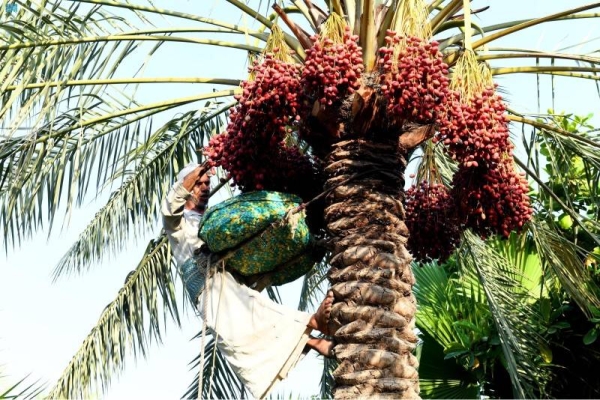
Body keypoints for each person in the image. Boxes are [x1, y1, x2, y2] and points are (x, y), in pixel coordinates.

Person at [161, 162, 334, 399]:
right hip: (206, 288)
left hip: (229, 280)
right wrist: (205, 166)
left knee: (255, 317)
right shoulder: (178, 224)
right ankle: (313, 325)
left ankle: (313, 339)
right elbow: (171, 204)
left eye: (206, 183)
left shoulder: (214, 220)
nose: (203, 187)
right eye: (198, 183)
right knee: (241, 333)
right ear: (188, 187)